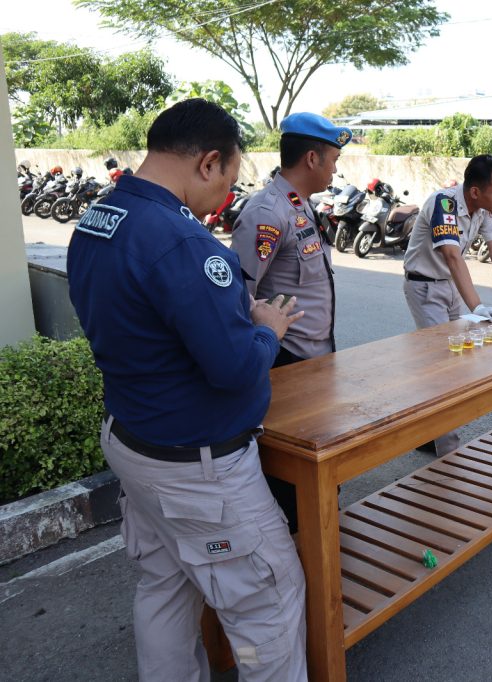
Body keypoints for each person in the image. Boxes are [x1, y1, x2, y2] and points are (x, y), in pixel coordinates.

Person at [66, 98, 308, 681]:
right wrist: (263, 328)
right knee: (265, 602)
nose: (226, 193)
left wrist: (230, 313)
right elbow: (231, 369)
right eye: (229, 177)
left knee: (167, 586)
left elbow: (147, 318)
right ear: (208, 162)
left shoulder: (100, 218)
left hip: (133, 439)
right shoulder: (183, 243)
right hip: (197, 470)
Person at [403, 154, 492, 455]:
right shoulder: (445, 204)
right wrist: (477, 306)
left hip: (450, 285)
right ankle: (448, 454)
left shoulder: (486, 209)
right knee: (445, 367)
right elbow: (452, 256)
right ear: (475, 191)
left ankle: (429, 432)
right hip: (424, 287)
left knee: (454, 362)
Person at [231, 111, 353, 367]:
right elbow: (238, 296)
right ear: (311, 159)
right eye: (334, 159)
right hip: (286, 357)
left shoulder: (301, 203)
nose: (335, 168)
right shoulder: (268, 213)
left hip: (315, 354)